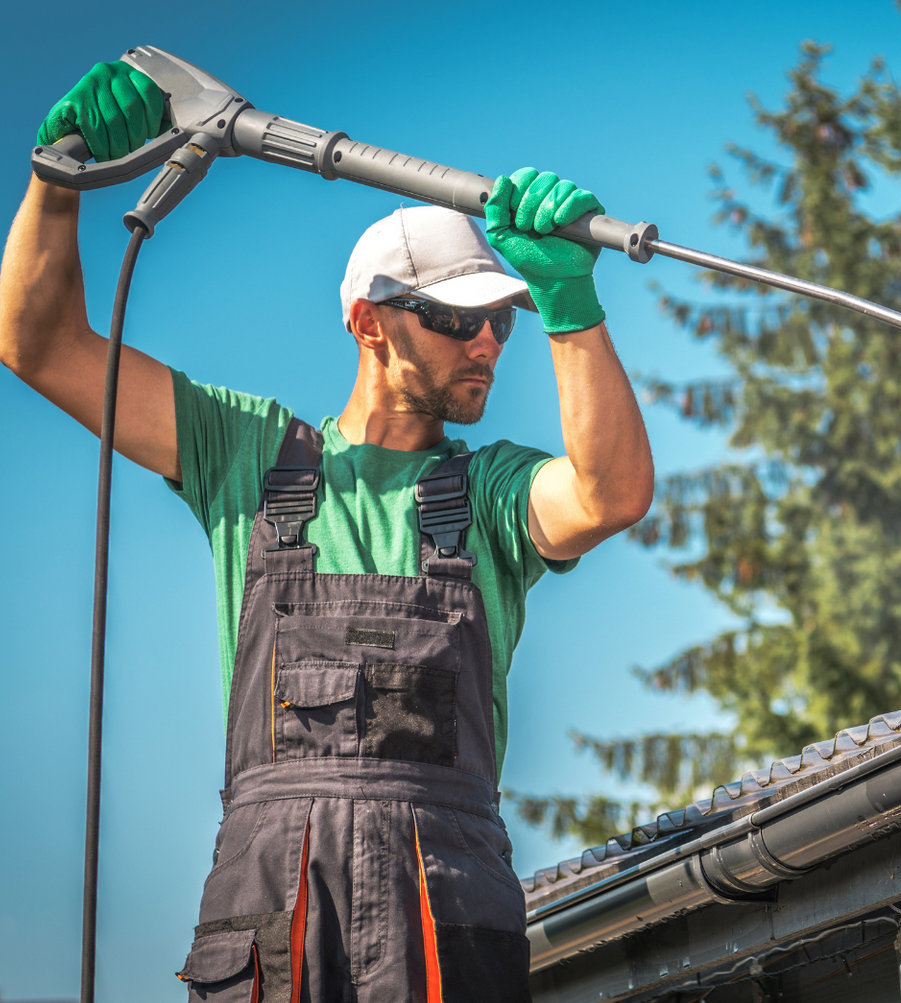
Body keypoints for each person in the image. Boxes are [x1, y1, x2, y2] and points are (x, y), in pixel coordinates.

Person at [1, 61, 654, 1002]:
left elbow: (609, 493)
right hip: (275, 902)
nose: (486, 345)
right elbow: (41, 344)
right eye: (454, 320)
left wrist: (569, 304)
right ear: (369, 322)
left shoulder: (492, 492)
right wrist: (56, 183)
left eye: (500, 325)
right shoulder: (247, 453)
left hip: (445, 903)